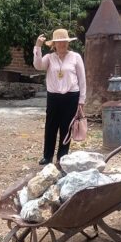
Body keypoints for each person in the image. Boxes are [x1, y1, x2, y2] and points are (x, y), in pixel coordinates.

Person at [33, 28, 86, 165]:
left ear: (68, 43)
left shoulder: (75, 57)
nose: (62, 44)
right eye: (59, 42)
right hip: (54, 97)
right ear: (54, 44)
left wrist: (82, 99)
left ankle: (62, 156)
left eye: (64, 42)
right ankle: (47, 156)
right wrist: (38, 46)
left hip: (71, 96)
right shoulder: (50, 58)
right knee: (50, 126)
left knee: (66, 127)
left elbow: (82, 79)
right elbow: (38, 65)